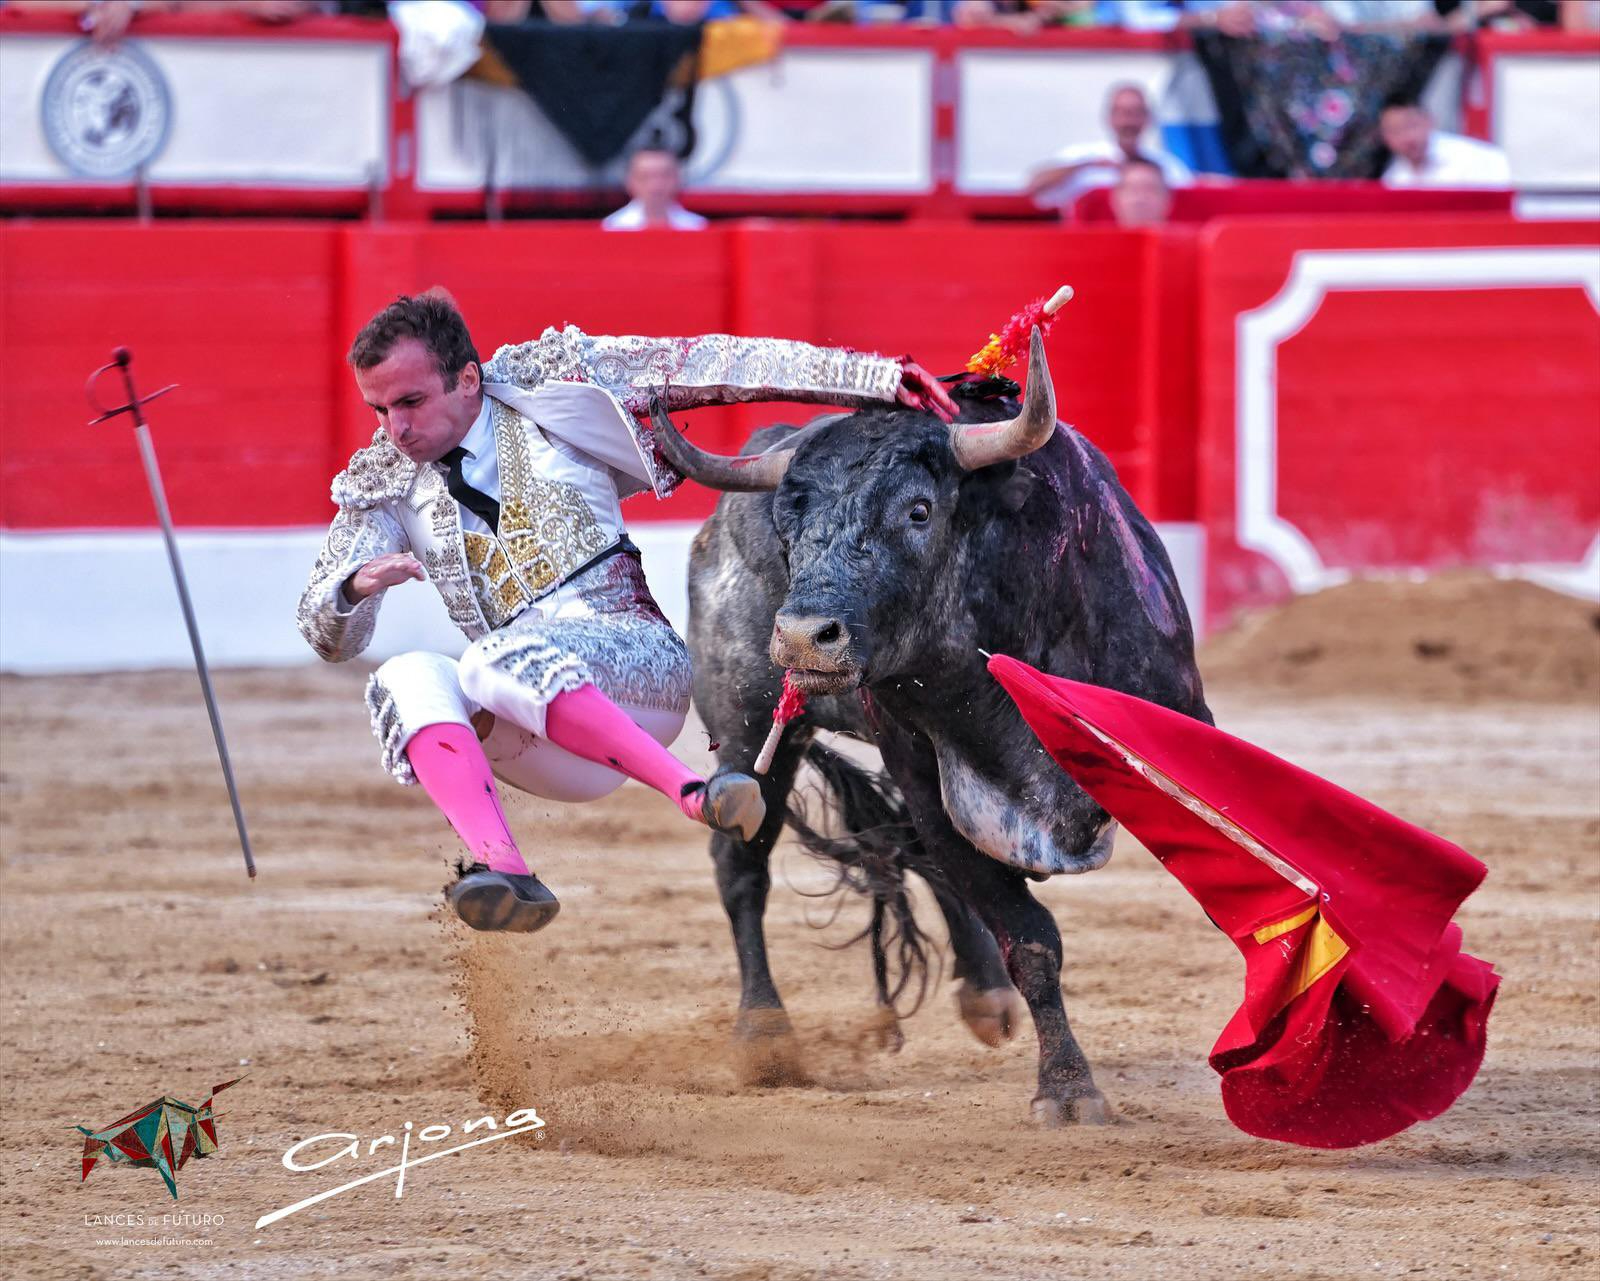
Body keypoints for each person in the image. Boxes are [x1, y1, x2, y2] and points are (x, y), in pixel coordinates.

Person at [296, 292, 958, 934]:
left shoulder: (552, 383)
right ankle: (506, 873)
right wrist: (353, 586)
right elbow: (331, 637)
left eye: (411, 401)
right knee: (406, 674)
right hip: (538, 729)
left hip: (639, 674)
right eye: (379, 409)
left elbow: (719, 364)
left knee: (491, 656)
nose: (396, 428)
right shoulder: (381, 482)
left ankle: (697, 793)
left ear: (468, 379)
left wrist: (873, 377)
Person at [1025, 83, 1194, 212]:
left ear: (1147, 118)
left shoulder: (1166, 165)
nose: (1129, 122)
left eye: (1136, 113)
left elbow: (1189, 201)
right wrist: (1086, 165)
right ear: (1110, 117)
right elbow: (1035, 186)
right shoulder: (1083, 157)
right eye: (1123, 113)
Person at [1378, 93, 1512, 187]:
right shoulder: (1393, 178)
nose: (1407, 137)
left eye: (1411, 125)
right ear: (1384, 137)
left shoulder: (1480, 158)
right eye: (1395, 131)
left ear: (1429, 121)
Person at [601, 146, 707, 231]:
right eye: (645, 177)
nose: (656, 186)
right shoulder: (614, 227)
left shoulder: (697, 226)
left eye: (664, 176)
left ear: (678, 178)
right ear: (630, 181)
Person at [1109, 157, 1172, 227]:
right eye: (1132, 190)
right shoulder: (1098, 237)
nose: (1140, 199)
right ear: (1114, 199)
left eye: (1149, 190)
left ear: (1168, 200)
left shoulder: (1184, 237)